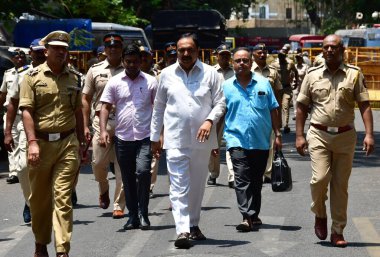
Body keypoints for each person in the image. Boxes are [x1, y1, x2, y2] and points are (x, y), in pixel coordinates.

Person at [295, 34, 375, 247]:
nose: (329, 50)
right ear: (322, 50)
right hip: (319, 134)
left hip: (345, 136)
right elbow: (301, 106)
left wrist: (368, 134)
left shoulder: (354, 75)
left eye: (334, 47)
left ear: (342, 50)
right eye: (326, 47)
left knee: (340, 185)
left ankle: (337, 230)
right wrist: (300, 135)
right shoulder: (312, 75)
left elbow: (364, 104)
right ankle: (319, 213)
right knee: (320, 179)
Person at [150, 33, 225, 249]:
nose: (184, 53)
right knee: (178, 186)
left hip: (202, 141)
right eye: (181, 49)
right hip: (175, 139)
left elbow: (220, 103)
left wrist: (210, 120)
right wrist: (155, 137)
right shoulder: (165, 74)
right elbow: (159, 107)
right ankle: (182, 229)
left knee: (197, 186)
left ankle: (193, 224)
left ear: (197, 51)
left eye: (189, 49)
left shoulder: (211, 74)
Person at [19, 30, 85, 257]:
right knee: (39, 200)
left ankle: (62, 250)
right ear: (45, 51)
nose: (60, 52)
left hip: (67, 143)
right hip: (41, 143)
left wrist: (82, 140)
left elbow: (77, 111)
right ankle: (40, 242)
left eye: (64, 49)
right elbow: (26, 111)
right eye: (56, 48)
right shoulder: (31, 77)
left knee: (63, 197)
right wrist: (33, 143)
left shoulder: (75, 77)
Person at [99, 44, 157, 230]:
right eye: (128, 61)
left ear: (141, 62)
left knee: (143, 172)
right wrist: (103, 131)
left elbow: (158, 108)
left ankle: (143, 213)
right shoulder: (115, 82)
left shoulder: (150, 81)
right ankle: (132, 216)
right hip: (123, 138)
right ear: (123, 62)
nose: (132, 65)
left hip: (145, 137)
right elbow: (105, 107)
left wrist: (160, 134)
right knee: (128, 178)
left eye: (135, 61)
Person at [224, 47, 281, 232]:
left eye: (245, 60)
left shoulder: (264, 84)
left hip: (261, 141)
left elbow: (274, 109)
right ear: (233, 63)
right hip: (236, 140)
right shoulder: (225, 87)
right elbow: (219, 113)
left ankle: (254, 215)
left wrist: (278, 134)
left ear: (251, 63)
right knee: (241, 178)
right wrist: (213, 142)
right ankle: (246, 216)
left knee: (256, 181)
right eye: (238, 60)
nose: (241, 63)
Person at [82, 33, 126, 219]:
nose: (113, 49)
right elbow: (86, 98)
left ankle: (119, 204)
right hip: (101, 124)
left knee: (123, 166)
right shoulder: (95, 70)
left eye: (116, 46)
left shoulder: (130, 68)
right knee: (98, 163)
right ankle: (103, 187)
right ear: (105, 49)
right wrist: (84, 126)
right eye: (109, 46)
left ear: (121, 48)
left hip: (125, 124)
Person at [4, 39, 46, 224]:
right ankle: (30, 202)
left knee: (45, 169)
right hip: (24, 126)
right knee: (22, 167)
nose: (39, 54)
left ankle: (45, 203)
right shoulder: (21, 75)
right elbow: (12, 103)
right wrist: (7, 131)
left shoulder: (56, 73)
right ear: (30, 52)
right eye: (36, 51)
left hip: (49, 126)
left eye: (42, 51)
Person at [251, 43, 282, 184]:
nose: (262, 54)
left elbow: (277, 94)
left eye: (264, 52)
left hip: (268, 112)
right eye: (259, 52)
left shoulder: (273, 72)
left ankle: (267, 173)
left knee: (269, 143)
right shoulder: (248, 70)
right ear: (253, 54)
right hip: (252, 112)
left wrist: (278, 117)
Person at [207, 43, 235, 188]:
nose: (225, 57)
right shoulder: (210, 72)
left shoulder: (235, 72)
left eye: (227, 55)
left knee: (232, 143)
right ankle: (213, 173)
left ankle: (232, 176)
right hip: (216, 113)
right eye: (222, 54)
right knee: (214, 145)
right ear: (216, 56)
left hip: (232, 112)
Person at [0, 49, 28, 184]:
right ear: (12, 59)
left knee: (22, 143)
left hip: (24, 114)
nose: (20, 59)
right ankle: (14, 172)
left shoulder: (29, 73)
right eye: (16, 57)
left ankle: (22, 168)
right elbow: (3, 94)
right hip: (10, 114)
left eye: (22, 57)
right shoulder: (8, 74)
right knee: (11, 142)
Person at [271, 45, 298, 133]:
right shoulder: (274, 64)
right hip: (277, 88)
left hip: (287, 87)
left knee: (285, 106)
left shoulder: (290, 63)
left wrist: (296, 82)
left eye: (283, 57)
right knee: (278, 106)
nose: (281, 58)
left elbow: (296, 72)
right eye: (280, 57)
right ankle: (279, 124)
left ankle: (286, 125)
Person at [292, 50, 308, 120]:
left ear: (302, 59)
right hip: (296, 85)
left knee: (303, 99)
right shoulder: (294, 67)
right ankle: (296, 114)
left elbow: (308, 76)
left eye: (299, 58)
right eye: (297, 58)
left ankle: (304, 112)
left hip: (303, 86)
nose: (298, 59)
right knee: (295, 99)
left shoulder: (305, 67)